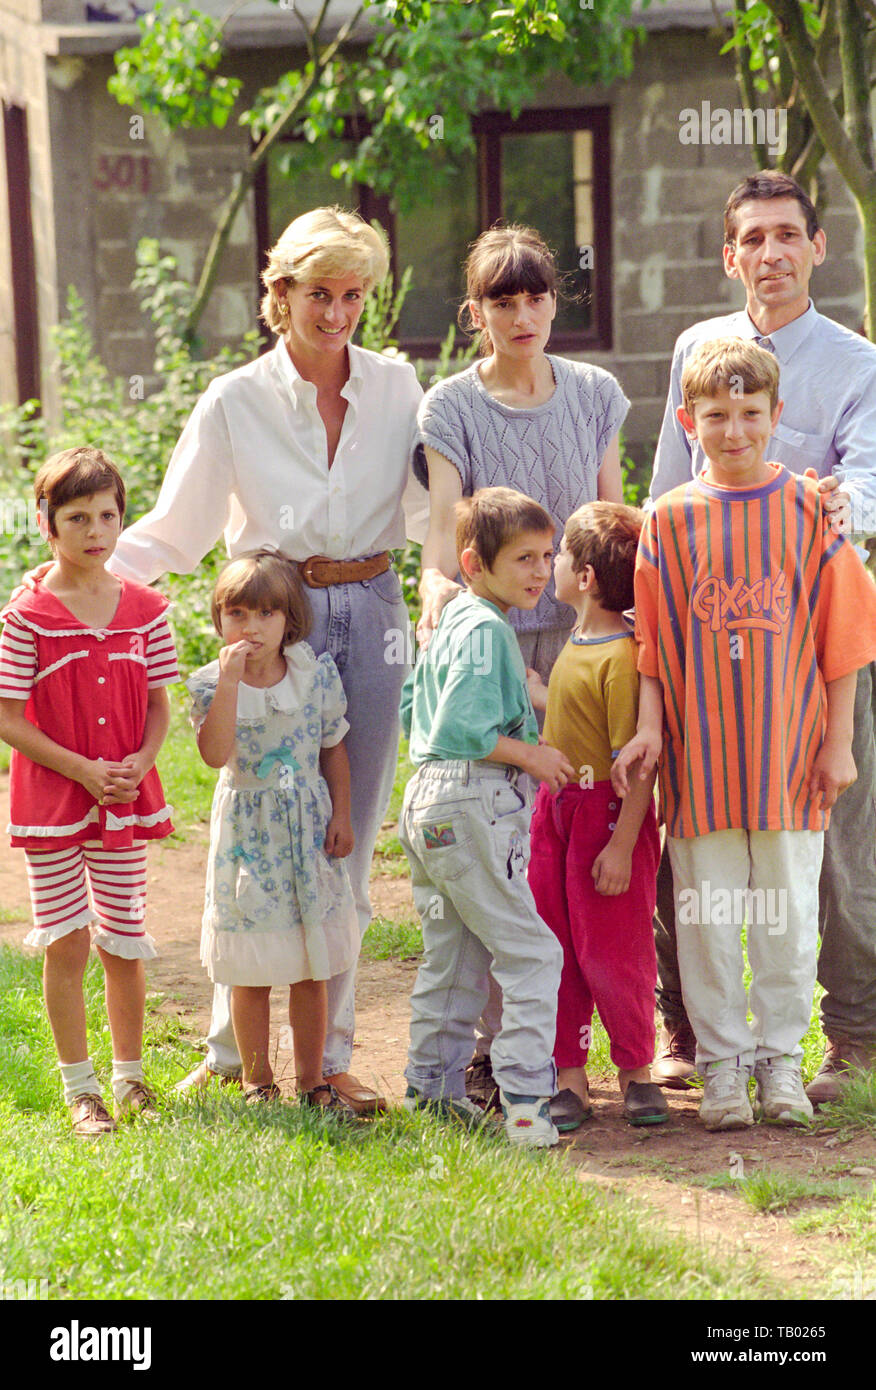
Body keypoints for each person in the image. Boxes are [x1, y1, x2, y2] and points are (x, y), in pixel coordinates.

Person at [101, 207, 426, 1113]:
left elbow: (438, 514)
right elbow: (175, 529)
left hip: (371, 607)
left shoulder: (400, 388)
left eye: (354, 295)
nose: (336, 314)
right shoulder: (235, 400)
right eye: (318, 294)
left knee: (344, 844)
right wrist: (70, 585)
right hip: (270, 615)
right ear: (278, 295)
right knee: (249, 839)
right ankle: (229, 1053)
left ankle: (330, 1060)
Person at [648, 171, 876, 1103]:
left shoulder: (854, 360)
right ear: (730, 254)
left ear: (818, 247)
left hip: (814, 629)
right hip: (706, 644)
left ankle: (851, 1032)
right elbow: (668, 482)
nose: (771, 253)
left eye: (789, 234)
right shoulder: (697, 348)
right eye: (753, 238)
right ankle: (689, 1030)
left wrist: (825, 504)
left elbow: (864, 484)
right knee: (692, 845)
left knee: (837, 839)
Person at [413, 223, 628, 1109]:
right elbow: (442, 529)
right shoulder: (451, 406)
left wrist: (628, 635)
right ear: (478, 312)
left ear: (555, 300)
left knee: (598, 831)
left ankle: (625, 1045)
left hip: (587, 645)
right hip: (499, 649)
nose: (524, 312)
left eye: (537, 295)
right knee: (510, 859)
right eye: (504, 300)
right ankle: (506, 1062)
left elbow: (615, 519)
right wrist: (435, 596)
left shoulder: (596, 393)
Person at [0, 447, 177, 1136]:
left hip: (122, 801)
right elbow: (8, 716)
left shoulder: (146, 609)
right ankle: (82, 1091)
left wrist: (141, 758)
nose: (95, 530)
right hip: (56, 806)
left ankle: (131, 1078)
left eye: (108, 515)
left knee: (124, 939)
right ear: (48, 524)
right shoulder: (27, 616)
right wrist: (80, 770)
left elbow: (159, 704)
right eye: (78, 517)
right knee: (67, 942)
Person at [399, 487, 572, 1147]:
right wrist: (530, 753)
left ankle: (431, 1094)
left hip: (426, 799)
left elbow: (413, 714)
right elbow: (462, 727)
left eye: (546, 556)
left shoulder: (451, 624)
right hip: (472, 800)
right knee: (532, 952)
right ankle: (527, 1104)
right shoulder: (486, 628)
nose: (538, 570)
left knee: (455, 955)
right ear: (474, 563)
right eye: (523, 557)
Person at [186, 551, 359, 1111]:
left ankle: (313, 1082)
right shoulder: (212, 684)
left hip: (307, 832)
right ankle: (258, 1081)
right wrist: (232, 680)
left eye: (266, 613)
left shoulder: (313, 673)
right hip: (248, 835)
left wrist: (343, 815)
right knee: (251, 965)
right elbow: (214, 756)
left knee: (311, 966)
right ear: (219, 618)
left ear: (290, 619)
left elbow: (333, 748)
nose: (252, 627)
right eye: (237, 614)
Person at [526, 502, 666, 1130]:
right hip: (557, 813)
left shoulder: (622, 655)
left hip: (607, 821)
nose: (549, 565)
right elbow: (569, 713)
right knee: (558, 947)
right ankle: (571, 1078)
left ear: (583, 577)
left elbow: (636, 765)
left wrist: (620, 845)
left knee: (614, 949)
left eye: (557, 555)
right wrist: (535, 688)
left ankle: (637, 1069)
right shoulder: (580, 641)